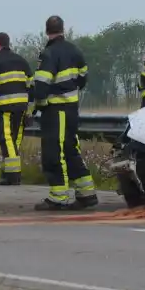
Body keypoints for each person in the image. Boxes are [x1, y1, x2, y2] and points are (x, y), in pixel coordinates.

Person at [30, 15, 98, 210]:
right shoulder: (75, 50)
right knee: (70, 149)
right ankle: (87, 193)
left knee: (54, 152)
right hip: (71, 108)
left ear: (46, 31)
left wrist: (38, 105)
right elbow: (83, 77)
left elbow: (41, 85)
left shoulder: (49, 54)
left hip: (55, 110)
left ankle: (58, 196)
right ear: (63, 29)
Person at [0, 32, 33, 186]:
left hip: (4, 107)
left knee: (6, 138)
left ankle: (13, 175)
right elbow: (32, 86)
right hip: (22, 107)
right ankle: (8, 172)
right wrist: (30, 109)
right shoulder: (22, 61)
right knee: (15, 139)